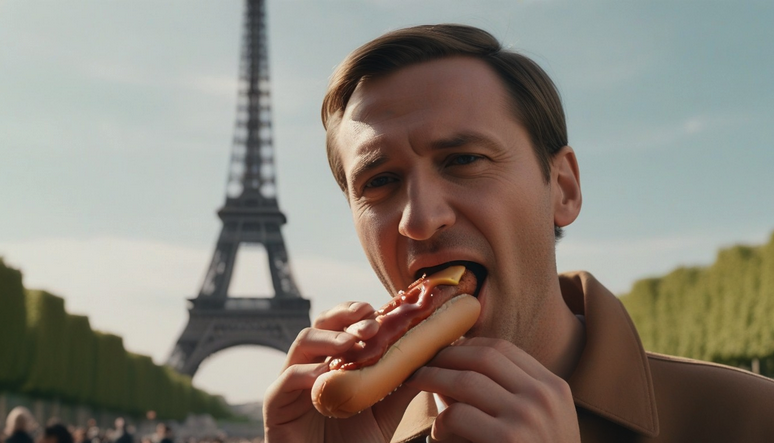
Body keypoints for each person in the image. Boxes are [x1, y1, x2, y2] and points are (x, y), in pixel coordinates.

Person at [262, 23, 774, 443]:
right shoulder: (352, 434)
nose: (419, 218)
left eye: (463, 160)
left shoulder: (753, 420)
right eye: (380, 182)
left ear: (564, 189)